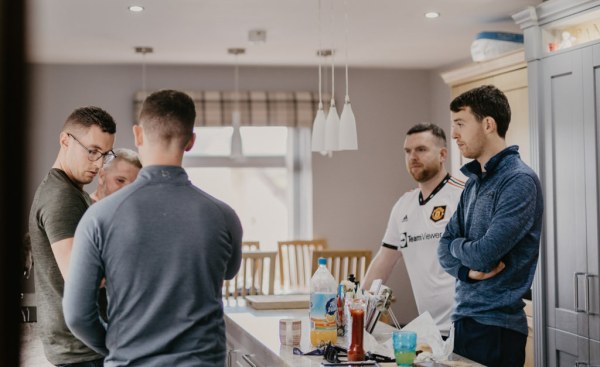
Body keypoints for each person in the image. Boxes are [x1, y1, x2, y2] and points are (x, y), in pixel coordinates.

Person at [63, 89, 243, 366]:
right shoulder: (224, 215)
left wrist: (116, 346)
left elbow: (76, 315)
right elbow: (228, 271)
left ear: (138, 135)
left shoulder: (99, 217)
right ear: (191, 141)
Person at [438, 85, 543, 367]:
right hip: (465, 319)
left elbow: (485, 255)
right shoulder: (474, 182)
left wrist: (457, 245)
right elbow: (442, 249)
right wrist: (466, 271)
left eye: (460, 124)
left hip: (498, 327)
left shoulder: (519, 181)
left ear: (488, 124)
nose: (455, 134)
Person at [28, 106, 116, 366]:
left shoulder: (73, 192)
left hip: (82, 346)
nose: (99, 164)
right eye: (92, 151)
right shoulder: (62, 197)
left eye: (105, 154)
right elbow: (81, 276)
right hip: (83, 351)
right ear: (65, 140)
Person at [362, 123, 464, 335]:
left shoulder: (463, 195)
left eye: (421, 149)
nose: (412, 157)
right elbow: (384, 261)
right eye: (408, 151)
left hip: (466, 325)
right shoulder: (403, 205)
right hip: (429, 330)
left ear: (443, 154)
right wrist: (359, 303)